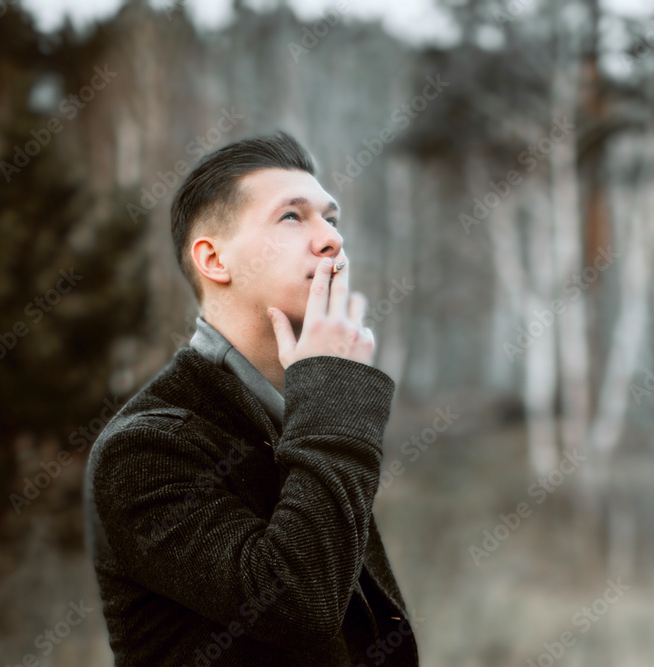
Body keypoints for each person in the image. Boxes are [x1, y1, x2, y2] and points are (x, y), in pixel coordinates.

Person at [83, 131, 420, 666]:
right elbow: (300, 603)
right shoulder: (145, 447)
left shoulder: (296, 416)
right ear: (214, 259)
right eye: (292, 217)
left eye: (331, 219)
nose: (331, 240)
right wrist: (333, 390)